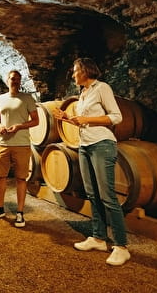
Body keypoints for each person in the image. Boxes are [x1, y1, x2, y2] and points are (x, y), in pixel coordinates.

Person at [53, 57, 130, 266]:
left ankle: (121, 246)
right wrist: (67, 119)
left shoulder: (102, 88)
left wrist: (86, 119)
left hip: (102, 144)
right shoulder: (83, 93)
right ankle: (98, 238)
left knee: (107, 196)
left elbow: (116, 117)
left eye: (76, 70)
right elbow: (83, 122)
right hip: (85, 146)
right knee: (92, 194)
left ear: (86, 71)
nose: (73, 74)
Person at [0, 70, 39, 228]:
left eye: (17, 79)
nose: (15, 81)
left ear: (20, 82)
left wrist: (19, 126)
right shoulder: (0, 99)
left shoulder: (27, 98)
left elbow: (36, 121)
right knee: (0, 177)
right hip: (3, 143)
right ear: (7, 80)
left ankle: (20, 213)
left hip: (22, 144)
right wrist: (0, 126)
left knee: (21, 178)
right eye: (12, 79)